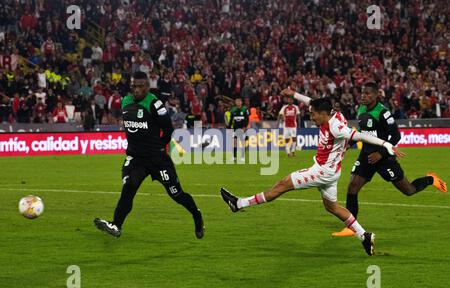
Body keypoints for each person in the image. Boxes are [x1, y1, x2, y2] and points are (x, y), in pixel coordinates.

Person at [220, 88, 405, 256]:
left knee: (283, 184)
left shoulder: (336, 127)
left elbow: (360, 136)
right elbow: (312, 102)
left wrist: (387, 144)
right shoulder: (329, 113)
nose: (311, 118)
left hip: (322, 171)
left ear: (324, 114)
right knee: (331, 207)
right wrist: (294, 95)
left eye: (313, 115)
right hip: (331, 173)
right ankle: (364, 235)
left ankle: (239, 203)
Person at [94, 71, 205, 239]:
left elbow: (168, 129)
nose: (136, 89)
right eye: (134, 86)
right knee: (129, 186)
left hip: (158, 160)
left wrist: (160, 146)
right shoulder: (125, 101)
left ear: (147, 87)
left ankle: (196, 215)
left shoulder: (155, 104)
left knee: (177, 194)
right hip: (137, 158)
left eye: (140, 86)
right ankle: (116, 225)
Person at [332, 82, 447, 237]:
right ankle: (352, 228)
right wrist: (349, 144)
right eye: (362, 93)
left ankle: (430, 179)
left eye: (367, 93)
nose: (363, 96)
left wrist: (381, 153)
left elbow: (396, 136)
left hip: (384, 158)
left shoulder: (383, 113)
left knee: (409, 190)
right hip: (366, 156)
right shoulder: (361, 109)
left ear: (375, 95)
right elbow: (362, 131)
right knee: (352, 187)